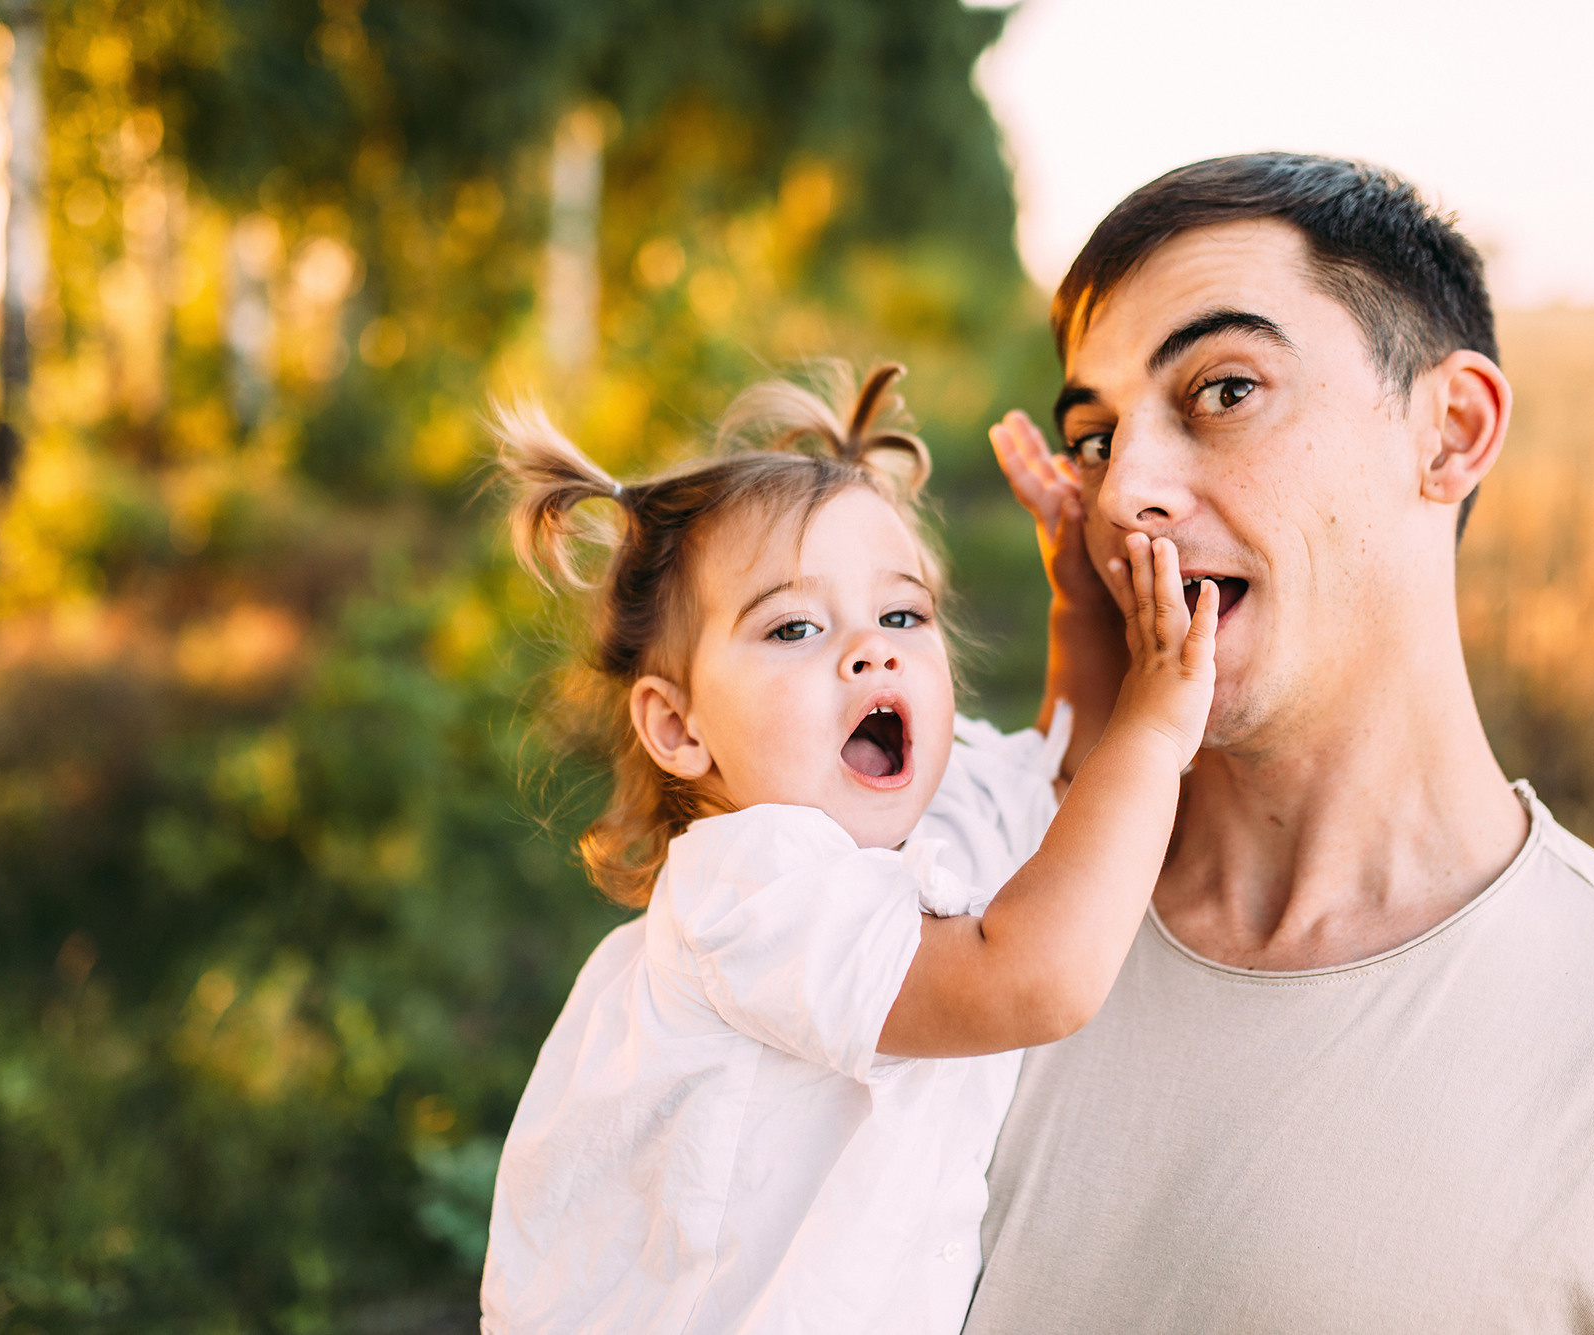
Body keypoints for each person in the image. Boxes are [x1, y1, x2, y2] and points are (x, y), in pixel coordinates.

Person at [964, 152, 1594, 1333]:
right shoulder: (944, 903)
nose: (1124, 487)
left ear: (1447, 431)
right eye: (1090, 437)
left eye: (1223, 390)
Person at [478, 363, 1217, 1333]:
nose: (870, 651)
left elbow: (1065, 785)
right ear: (678, 727)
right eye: (792, 627)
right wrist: (1157, 730)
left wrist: (1076, 602)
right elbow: (1036, 978)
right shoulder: (746, 891)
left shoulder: (935, 815)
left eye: (902, 615)